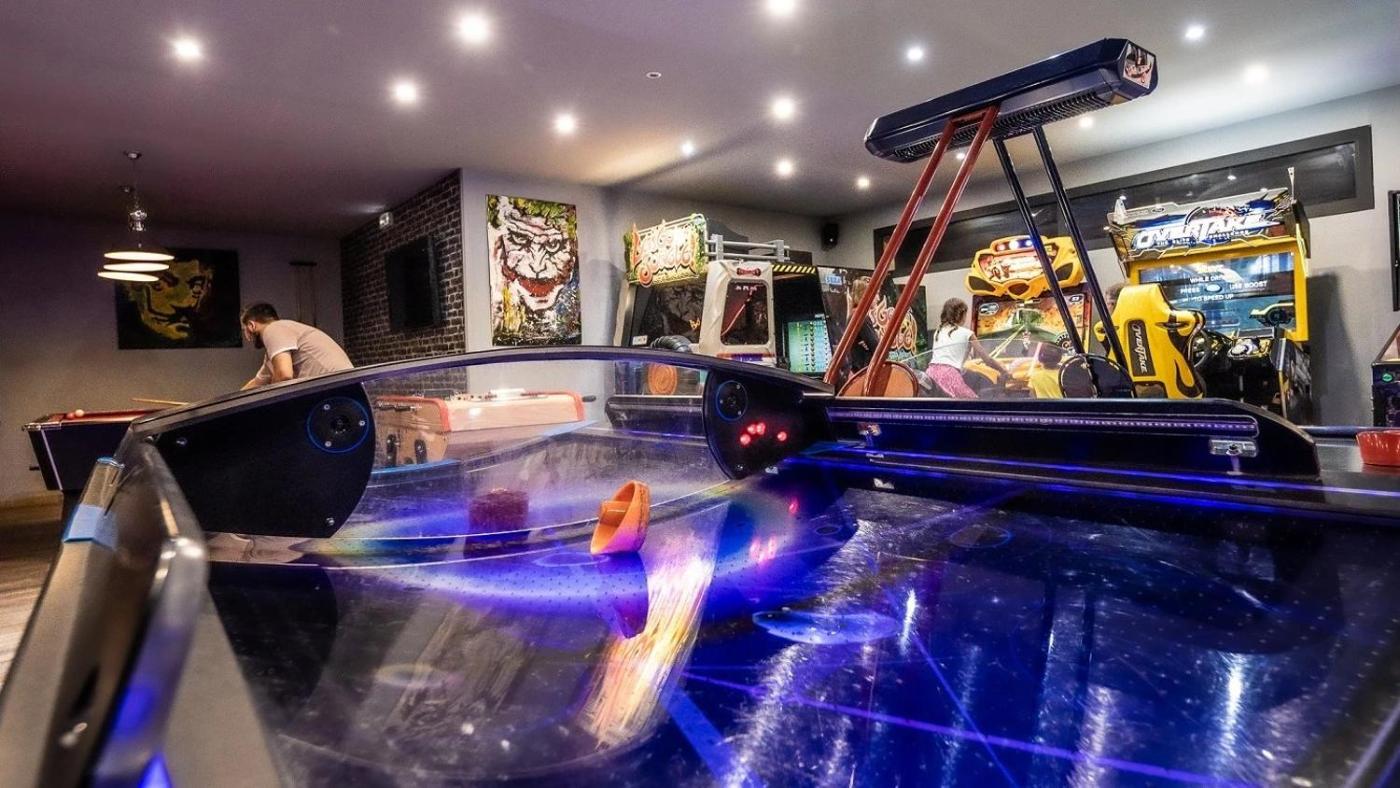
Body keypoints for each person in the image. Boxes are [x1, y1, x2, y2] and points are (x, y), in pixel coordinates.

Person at [239, 303, 353, 389]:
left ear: (251, 325)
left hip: (336, 388)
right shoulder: (279, 339)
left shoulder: (273, 329)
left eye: (244, 330)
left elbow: (284, 375)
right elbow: (258, 382)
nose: (247, 337)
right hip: (341, 385)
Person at [925, 297, 1006, 399]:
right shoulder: (967, 333)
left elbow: (946, 360)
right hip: (949, 376)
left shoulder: (938, 331)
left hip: (930, 373)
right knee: (973, 403)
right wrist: (1003, 370)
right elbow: (987, 360)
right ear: (962, 315)